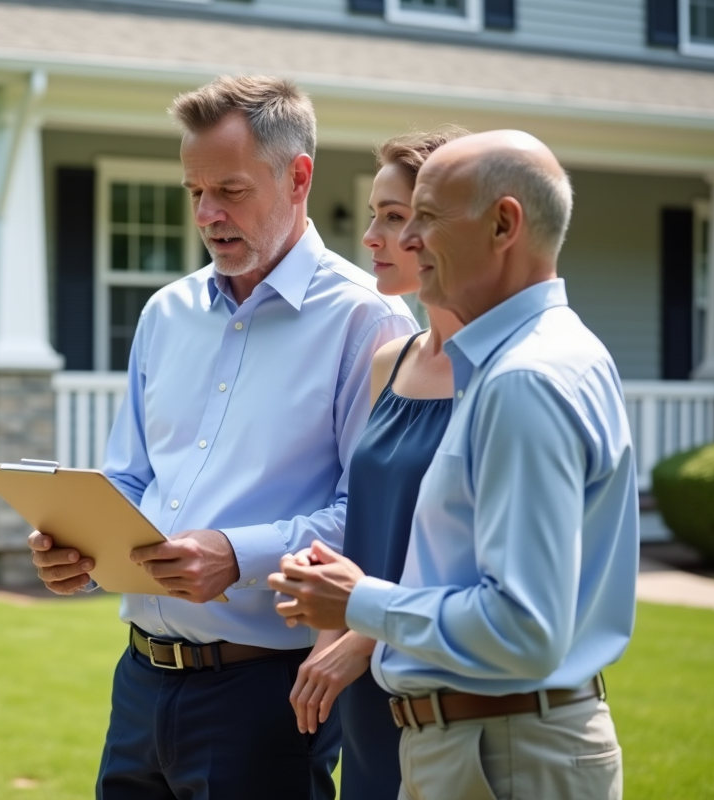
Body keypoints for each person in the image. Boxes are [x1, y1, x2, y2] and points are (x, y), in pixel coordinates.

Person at [28, 75, 419, 800]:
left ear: (298, 177)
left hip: (267, 693)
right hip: (140, 682)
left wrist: (238, 555)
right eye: (194, 192)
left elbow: (372, 520)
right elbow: (133, 477)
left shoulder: (368, 324)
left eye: (231, 191)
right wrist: (81, 548)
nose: (208, 214)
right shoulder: (165, 313)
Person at [270, 129, 638, 800]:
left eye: (426, 217)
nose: (409, 239)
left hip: (500, 751)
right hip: (477, 741)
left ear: (504, 224)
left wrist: (361, 604)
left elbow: (524, 630)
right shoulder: (533, 356)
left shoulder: (523, 379)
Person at [285, 128, 467, 800]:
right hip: (361, 685)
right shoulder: (389, 362)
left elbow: (470, 555)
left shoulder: (502, 373)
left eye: (394, 217)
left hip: (446, 681)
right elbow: (365, 518)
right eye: (373, 215)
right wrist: (325, 640)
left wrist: (359, 635)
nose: (372, 238)